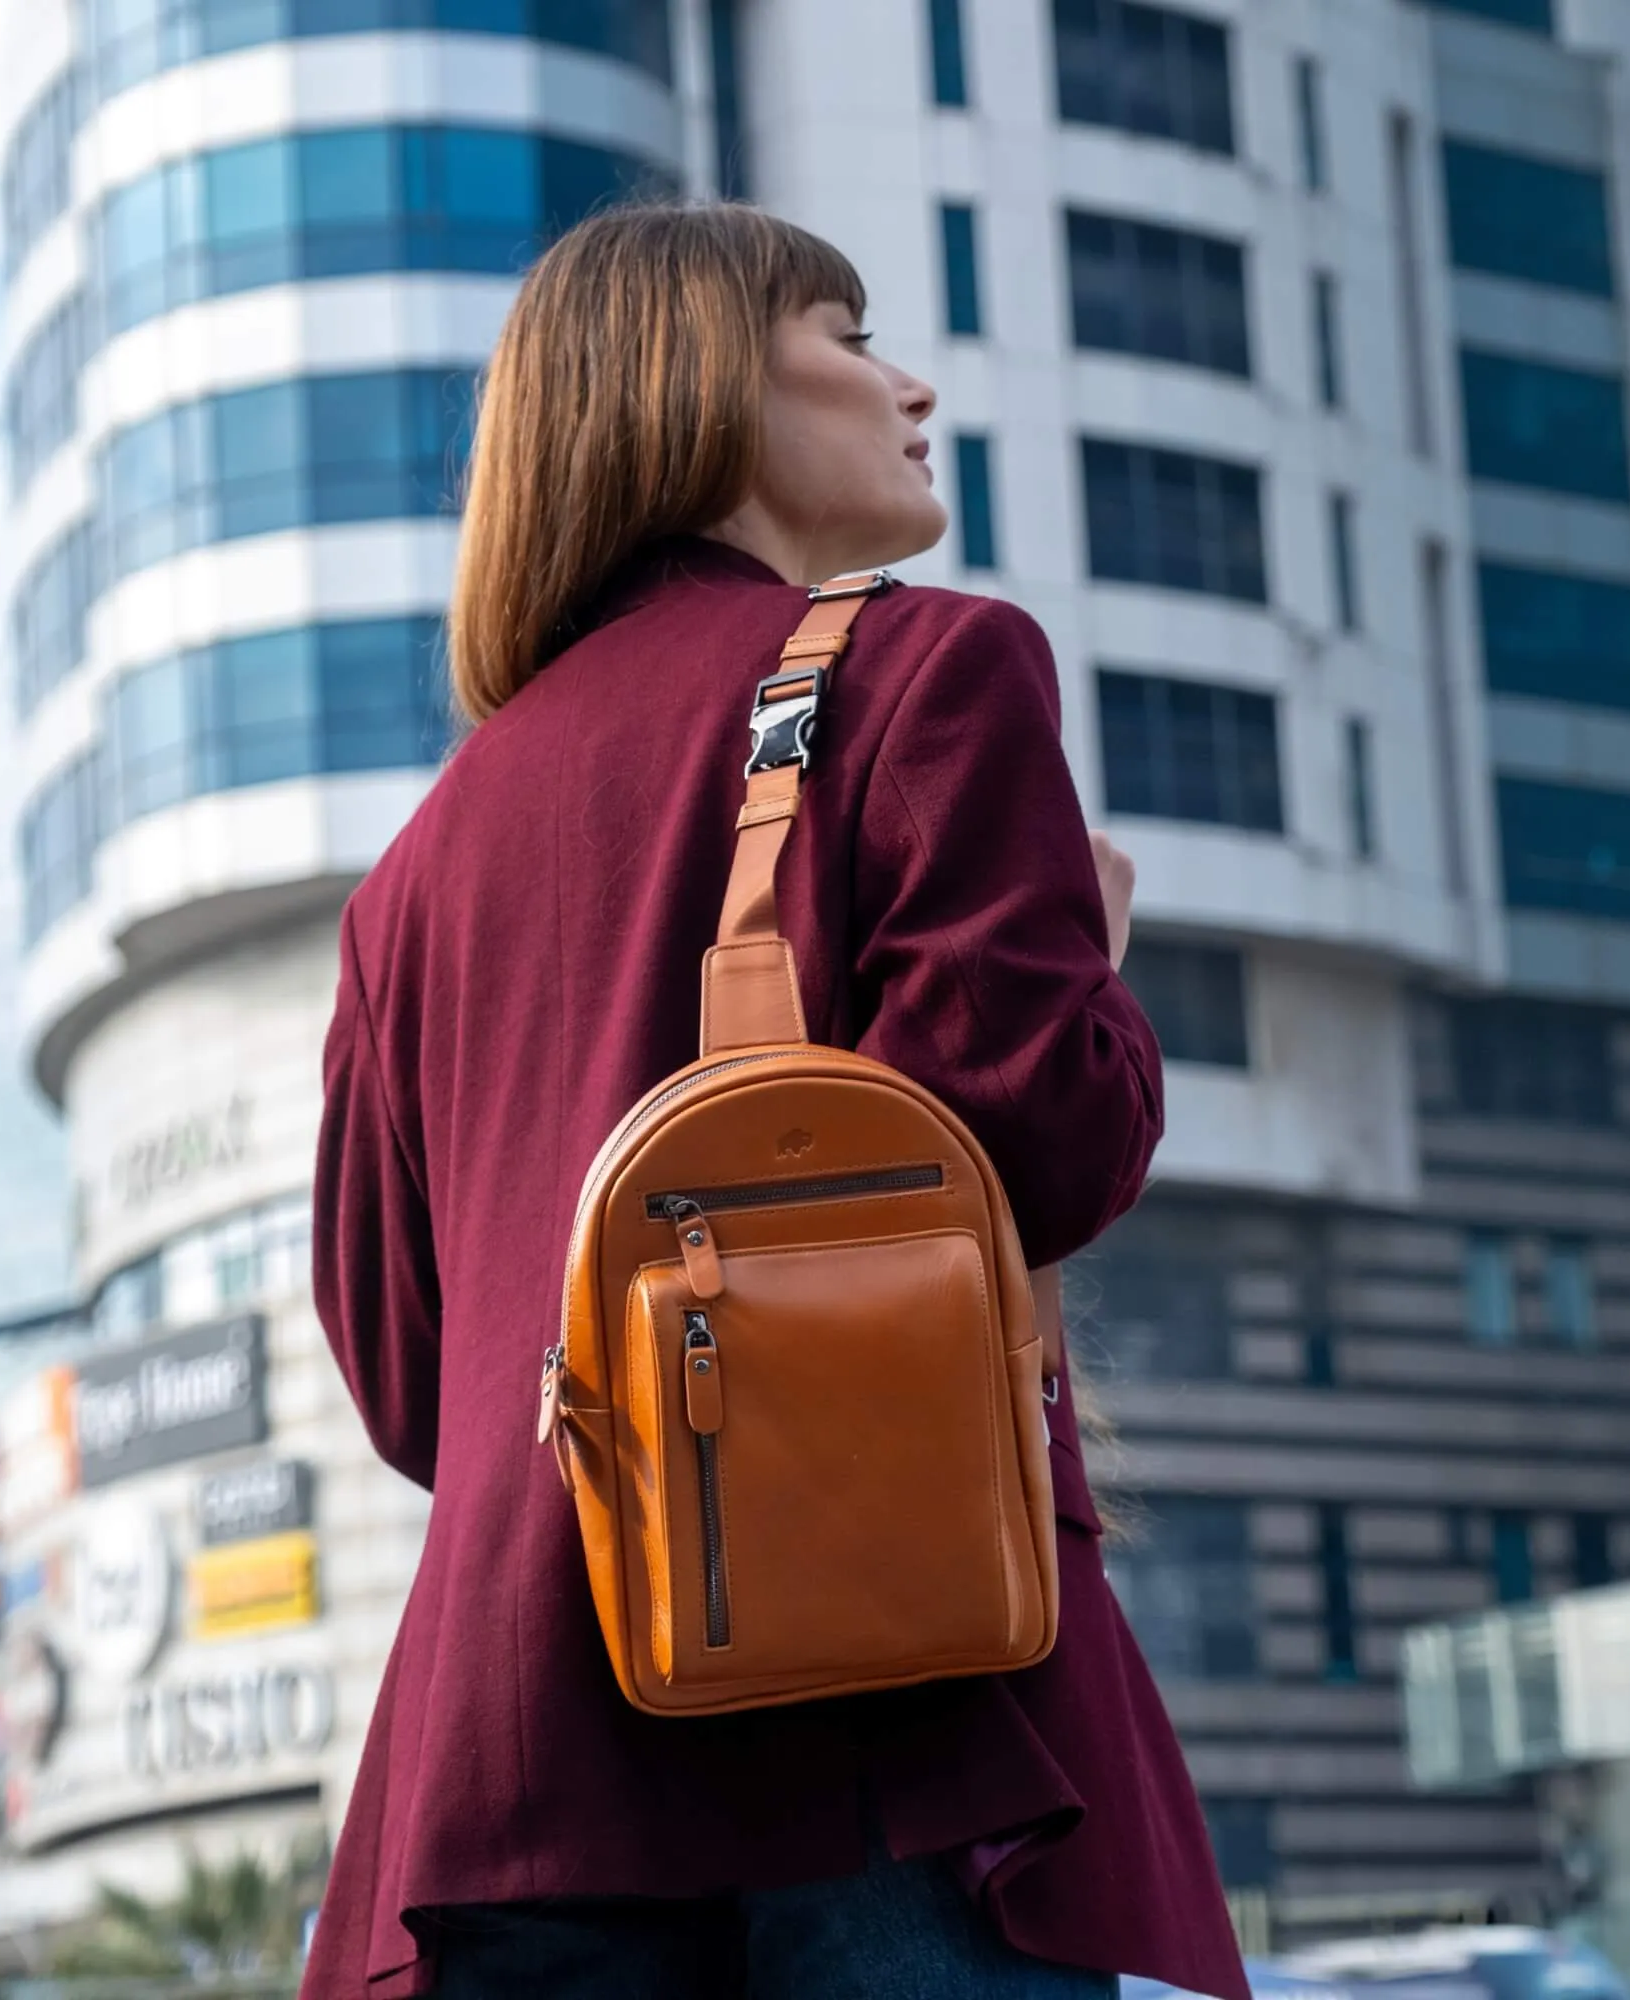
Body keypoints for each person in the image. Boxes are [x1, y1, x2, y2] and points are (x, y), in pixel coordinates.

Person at [305, 201, 1248, 2000]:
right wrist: (1093, 964)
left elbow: (410, 1380)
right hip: (882, 1721)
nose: (915, 388)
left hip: (504, 1776)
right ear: (700, 383)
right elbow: (1042, 1134)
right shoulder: (929, 668)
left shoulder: (413, 872)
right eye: (851, 333)